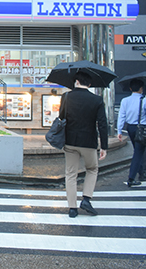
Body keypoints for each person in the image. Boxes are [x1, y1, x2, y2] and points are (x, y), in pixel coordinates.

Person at [59, 71, 108, 218]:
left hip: (70, 140)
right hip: (89, 142)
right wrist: (104, 146)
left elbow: (61, 117)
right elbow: (103, 124)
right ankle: (86, 198)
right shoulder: (97, 100)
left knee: (71, 174)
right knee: (92, 169)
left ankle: (72, 208)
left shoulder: (66, 97)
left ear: (77, 82)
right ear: (90, 84)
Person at [117, 79, 146, 187]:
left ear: (130, 88)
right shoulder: (144, 100)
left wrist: (119, 130)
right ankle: (132, 177)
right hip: (142, 128)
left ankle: (141, 172)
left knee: (138, 150)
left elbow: (121, 116)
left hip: (130, 128)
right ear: (141, 88)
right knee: (138, 152)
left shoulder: (125, 100)